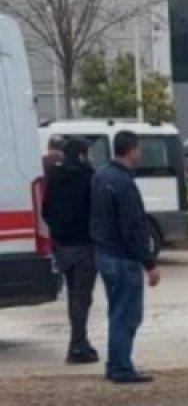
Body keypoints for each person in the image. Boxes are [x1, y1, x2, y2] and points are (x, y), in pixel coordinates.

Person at [90, 130, 161, 385]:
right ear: (131, 150)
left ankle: (116, 362)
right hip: (123, 258)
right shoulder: (124, 183)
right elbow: (133, 226)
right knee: (128, 314)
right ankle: (121, 366)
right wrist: (150, 262)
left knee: (117, 311)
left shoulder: (101, 176)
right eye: (138, 149)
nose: (139, 153)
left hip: (104, 252)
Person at [43, 138, 99, 364]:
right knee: (82, 297)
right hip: (84, 245)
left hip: (62, 245)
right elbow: (96, 210)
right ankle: (77, 346)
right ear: (82, 155)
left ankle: (79, 341)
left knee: (74, 295)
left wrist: (57, 232)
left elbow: (46, 210)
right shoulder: (88, 178)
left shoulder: (54, 177)